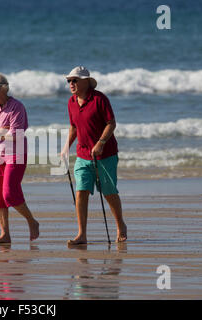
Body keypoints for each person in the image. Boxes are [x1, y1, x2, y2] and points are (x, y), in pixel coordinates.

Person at [62, 66, 127, 244]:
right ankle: (81, 234)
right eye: (69, 81)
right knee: (81, 191)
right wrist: (66, 146)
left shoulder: (99, 99)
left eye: (74, 80)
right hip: (83, 155)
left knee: (109, 192)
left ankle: (121, 225)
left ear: (85, 82)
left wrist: (101, 143)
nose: (71, 84)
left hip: (106, 154)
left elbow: (111, 123)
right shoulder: (71, 102)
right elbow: (74, 127)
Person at [0, 72, 40, 245]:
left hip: (16, 154)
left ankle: (31, 221)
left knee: (9, 194)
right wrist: (0, 131)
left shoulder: (17, 107)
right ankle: (5, 234)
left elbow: (16, 134)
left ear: (3, 89)